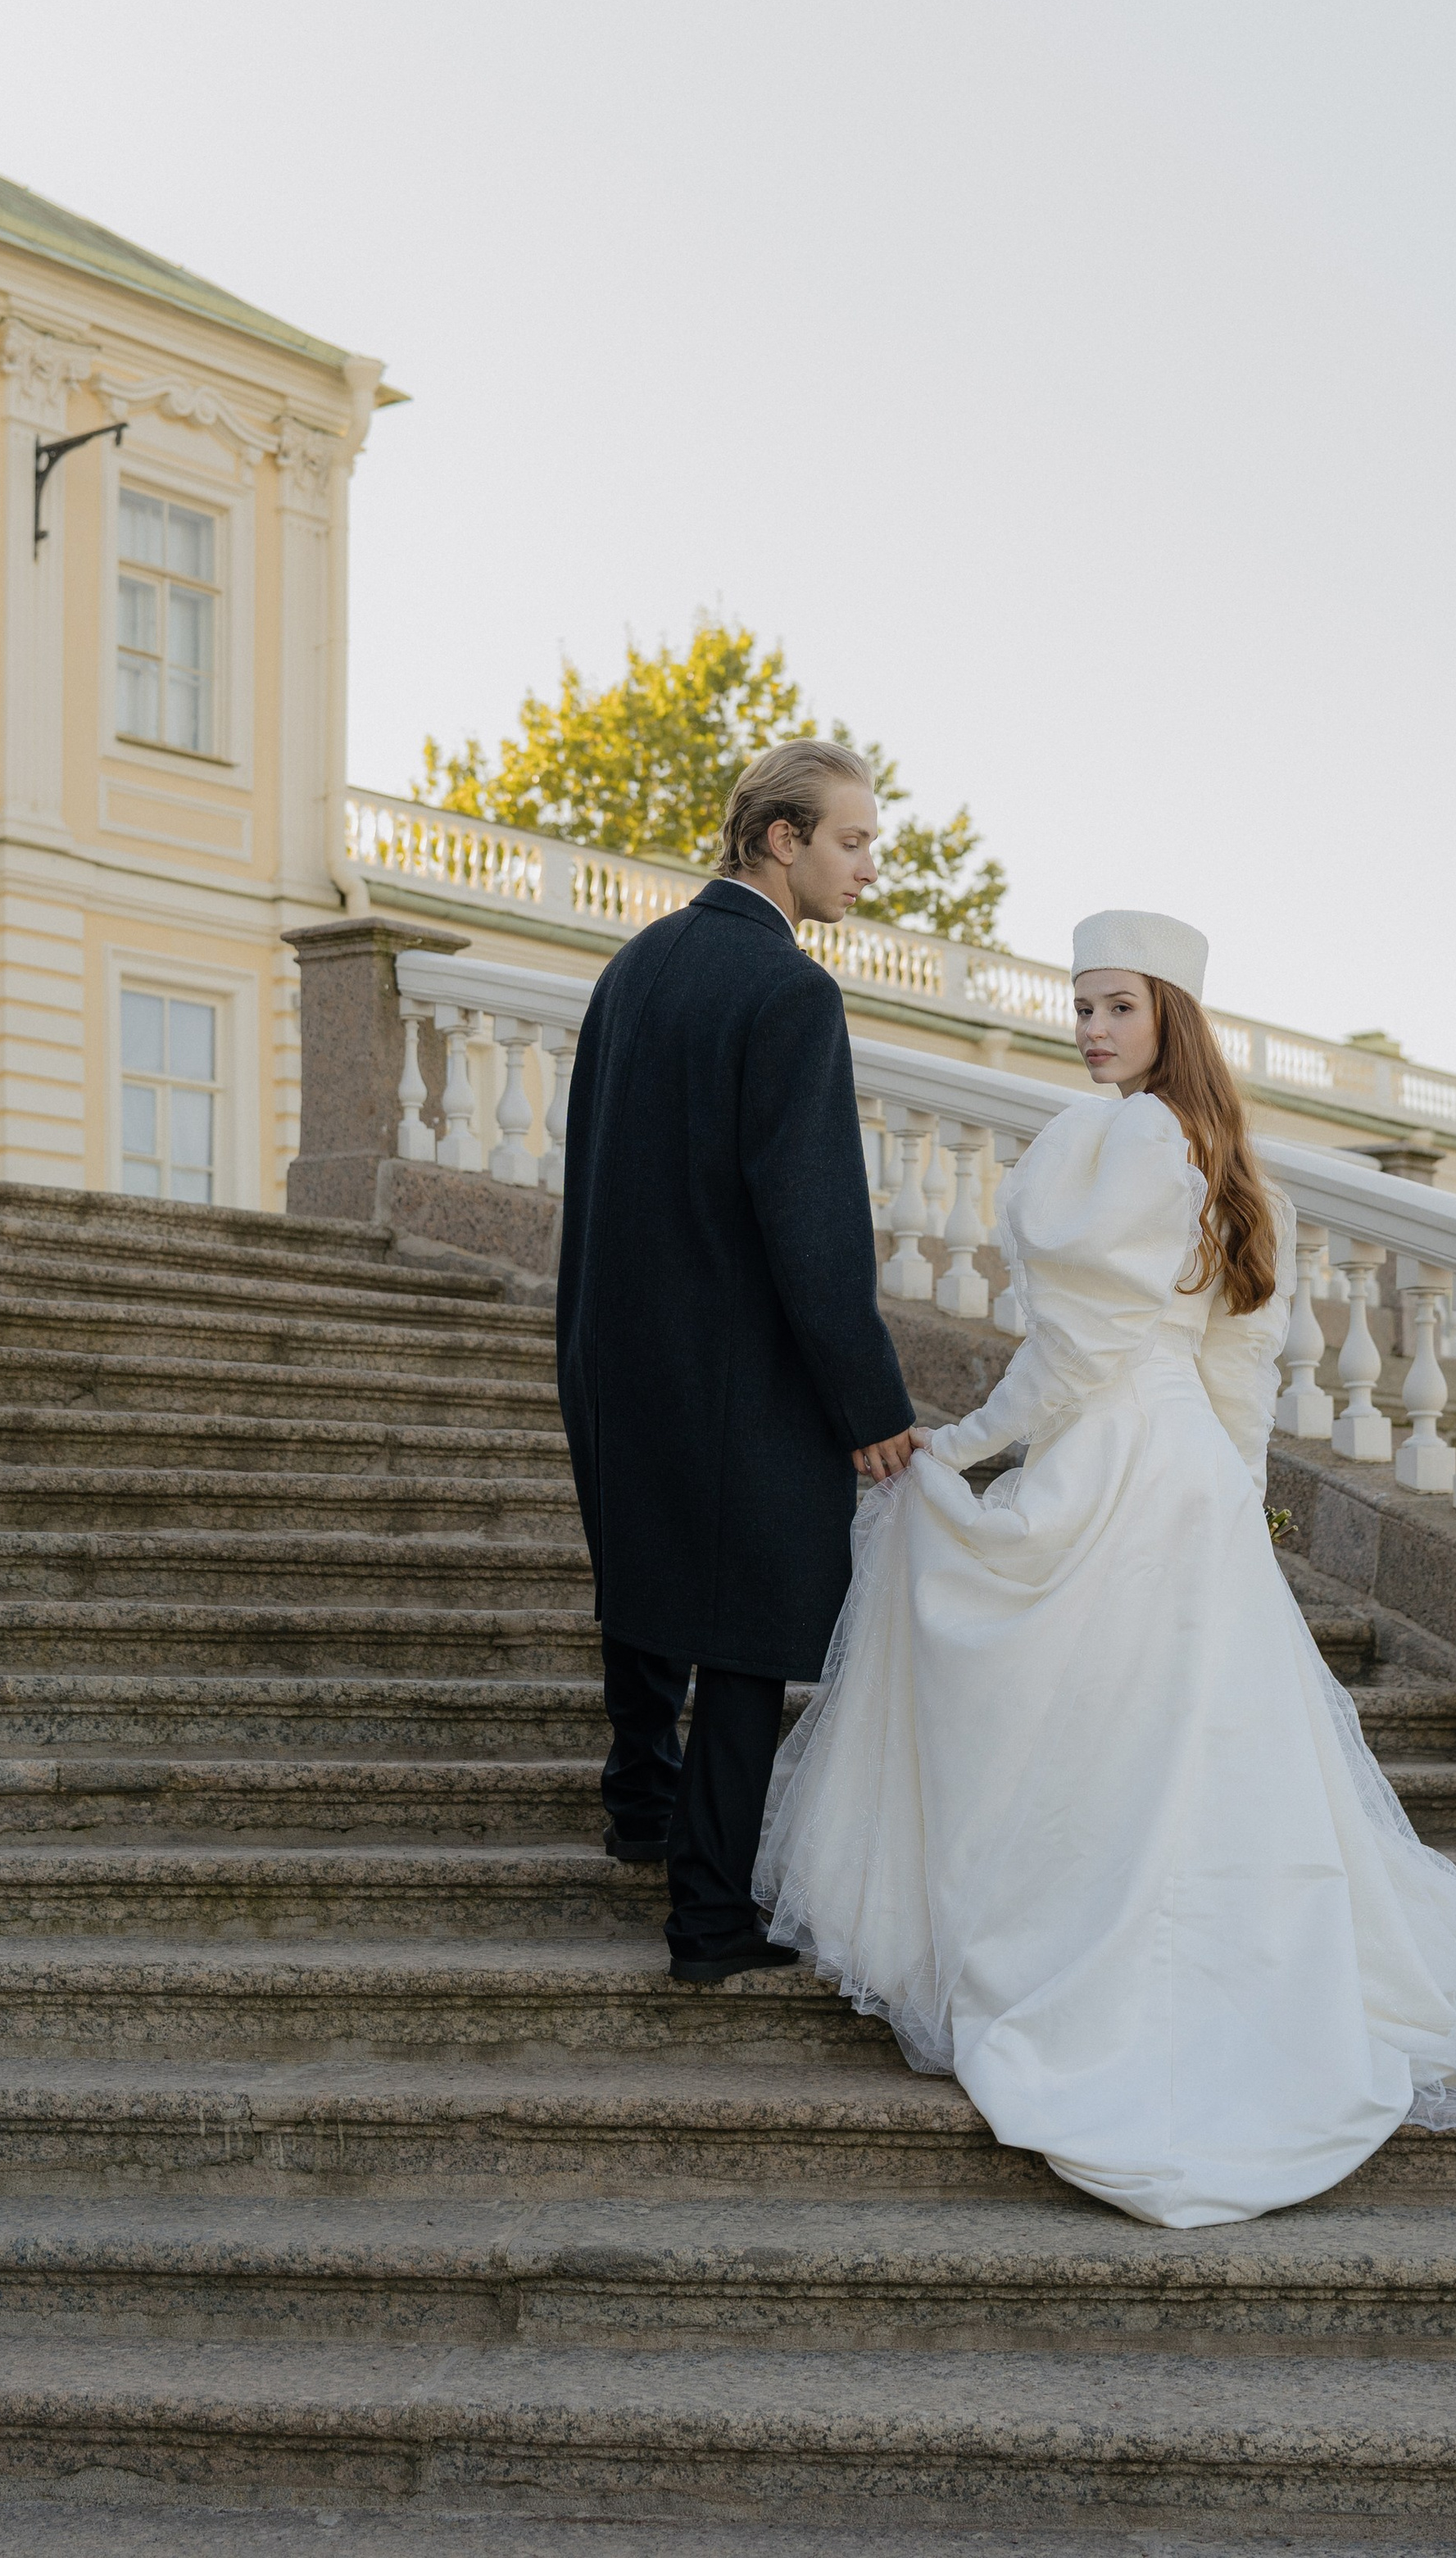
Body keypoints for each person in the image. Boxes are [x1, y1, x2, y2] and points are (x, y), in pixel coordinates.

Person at [756, 907, 1456, 2226]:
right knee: (1179, 1740)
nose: (1089, 1028)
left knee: (1097, 1728)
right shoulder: (1226, 1158)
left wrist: (952, 1449)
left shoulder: (1126, 1141)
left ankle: (1109, 1981)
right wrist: (1235, 1505)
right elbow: (1234, 1369)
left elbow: (1073, 1359)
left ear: (1171, 1019)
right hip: (1182, 1471)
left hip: (1125, 1466)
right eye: (1079, 1006)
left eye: (1116, 1006)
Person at [556, 739, 917, 1985]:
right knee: (753, 1633)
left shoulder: (635, 965)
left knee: (651, 1583)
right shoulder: (789, 993)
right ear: (782, 840)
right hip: (737, 1371)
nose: (869, 866)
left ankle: (639, 1812)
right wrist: (867, 1401)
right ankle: (709, 1917)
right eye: (853, 841)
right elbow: (812, 1226)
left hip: (618, 1350)